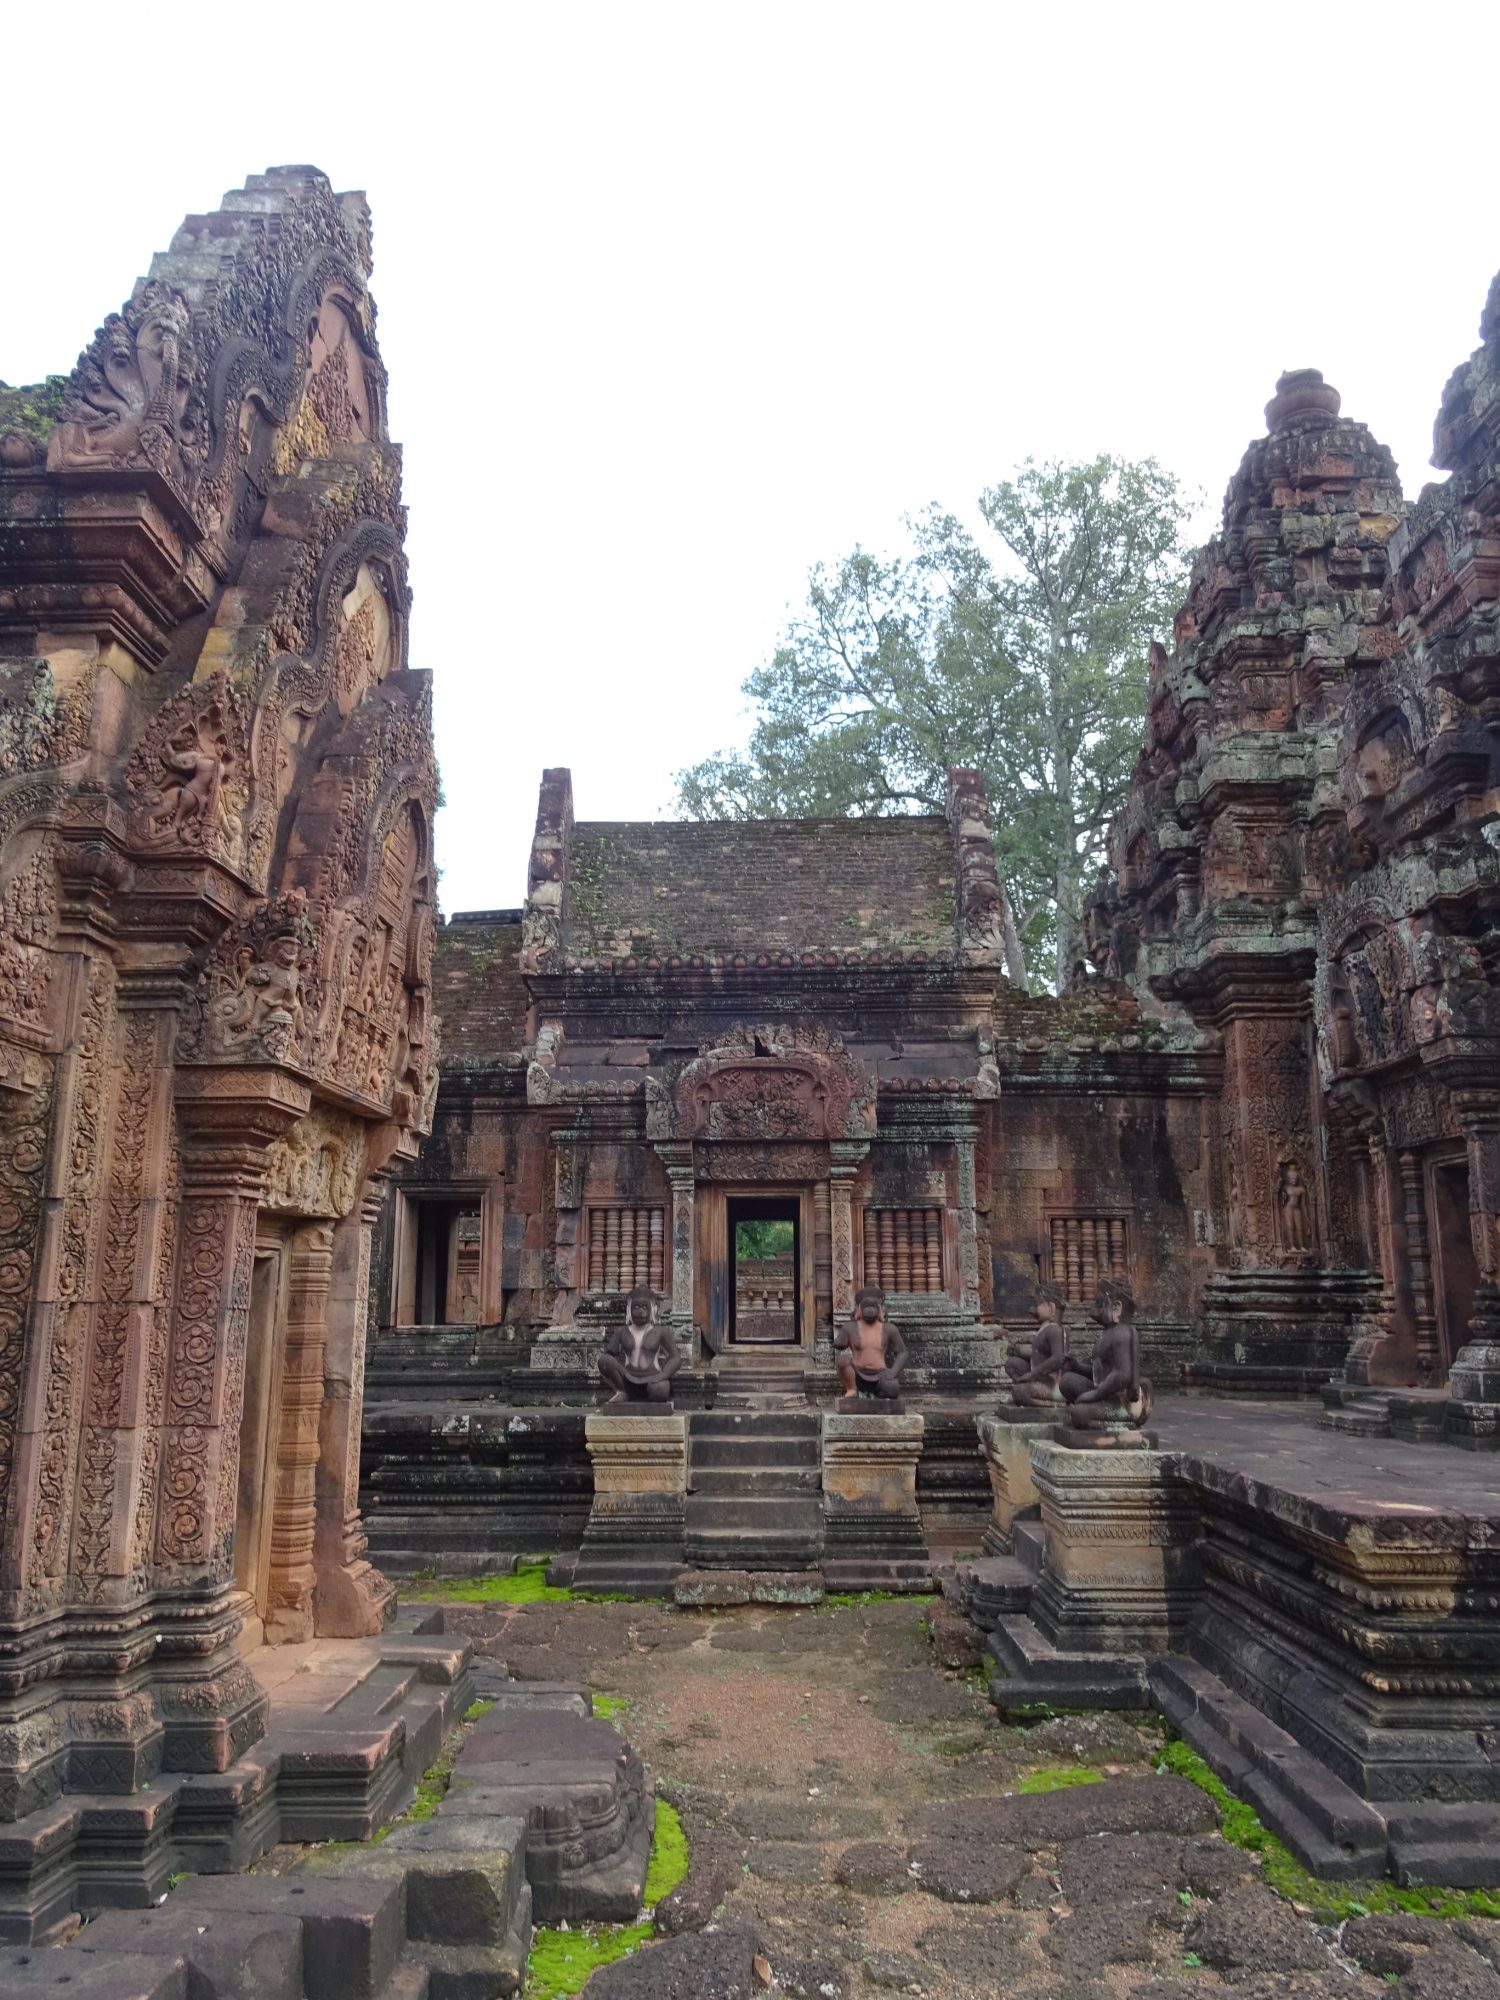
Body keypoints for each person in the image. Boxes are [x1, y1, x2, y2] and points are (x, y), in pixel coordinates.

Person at [599, 1286, 682, 1404]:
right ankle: (622, 1391)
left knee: (661, 1390)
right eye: (636, 1307)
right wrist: (617, 1370)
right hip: (627, 1377)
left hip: (653, 1378)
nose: (640, 1311)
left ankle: (649, 1397)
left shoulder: (661, 1332)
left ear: (653, 1310)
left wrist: (664, 1374)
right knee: (604, 1360)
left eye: (644, 1307)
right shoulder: (621, 1331)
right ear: (629, 1310)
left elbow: (675, 1358)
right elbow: (609, 1356)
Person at [834, 1285, 907, 1403]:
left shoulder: (889, 1329)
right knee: (842, 1360)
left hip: (880, 1374)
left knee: (892, 1390)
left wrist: (892, 1372)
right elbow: (838, 1344)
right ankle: (852, 1389)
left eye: (873, 1306)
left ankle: (876, 1394)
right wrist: (843, 1335)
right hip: (856, 1373)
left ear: (881, 1309)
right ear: (858, 1309)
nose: (870, 1309)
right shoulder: (850, 1328)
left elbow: (902, 1353)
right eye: (866, 1306)